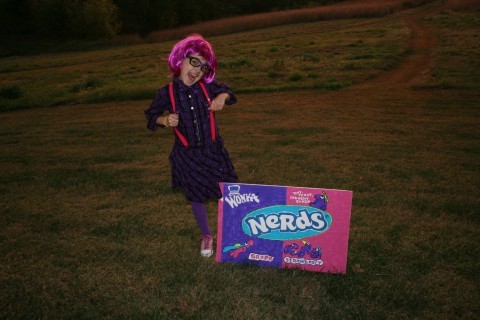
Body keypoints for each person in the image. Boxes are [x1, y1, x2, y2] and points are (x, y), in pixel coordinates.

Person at [144, 34, 239, 258]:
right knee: (196, 195)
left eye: (204, 67)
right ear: (180, 60)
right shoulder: (166, 93)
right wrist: (165, 120)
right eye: (193, 61)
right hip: (187, 155)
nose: (198, 69)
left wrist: (222, 97)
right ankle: (206, 235)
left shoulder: (207, 87)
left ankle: (235, 231)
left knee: (229, 191)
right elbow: (151, 116)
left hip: (213, 151)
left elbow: (229, 92)